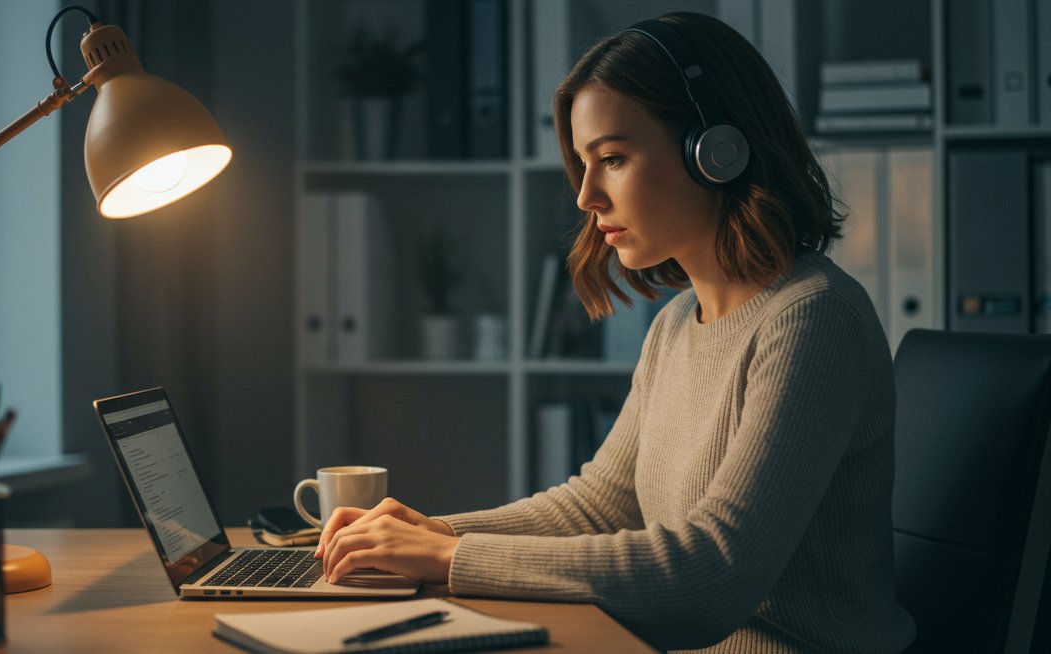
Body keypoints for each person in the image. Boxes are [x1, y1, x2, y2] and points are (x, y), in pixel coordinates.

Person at [315, 12, 917, 652]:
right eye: (584, 162)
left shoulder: (813, 318)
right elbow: (600, 507)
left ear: (717, 150)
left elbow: (710, 577)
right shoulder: (677, 323)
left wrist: (447, 560)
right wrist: (433, 533)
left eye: (613, 158)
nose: (587, 195)